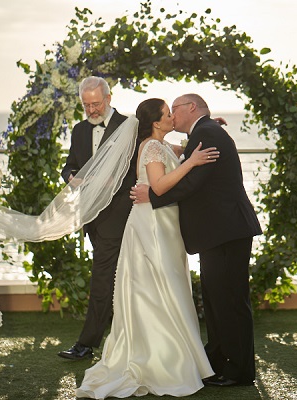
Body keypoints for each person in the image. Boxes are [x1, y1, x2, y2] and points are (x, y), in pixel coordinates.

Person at [76, 98, 219, 398]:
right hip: (153, 225)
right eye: (168, 114)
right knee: (158, 287)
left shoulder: (162, 145)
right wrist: (192, 163)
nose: (172, 117)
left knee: (168, 285)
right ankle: (161, 361)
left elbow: (179, 150)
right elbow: (159, 186)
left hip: (165, 225)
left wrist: (202, 136)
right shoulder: (152, 147)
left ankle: (176, 355)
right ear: (156, 122)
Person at [131, 94, 262, 386]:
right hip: (218, 231)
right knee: (217, 300)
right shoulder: (204, 132)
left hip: (226, 231)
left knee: (230, 301)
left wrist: (151, 197)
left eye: (174, 110)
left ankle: (239, 370)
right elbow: (186, 163)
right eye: (168, 113)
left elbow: (192, 183)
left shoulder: (207, 133)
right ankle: (216, 359)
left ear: (191, 108)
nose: (172, 117)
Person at [57, 76, 136, 361]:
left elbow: (145, 164)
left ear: (109, 98)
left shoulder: (129, 126)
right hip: (93, 218)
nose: (91, 110)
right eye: (86, 104)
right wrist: (71, 178)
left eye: (96, 103)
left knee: (103, 279)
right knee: (110, 279)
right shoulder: (79, 130)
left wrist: (116, 182)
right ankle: (121, 341)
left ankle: (87, 344)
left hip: (122, 215)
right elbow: (70, 165)